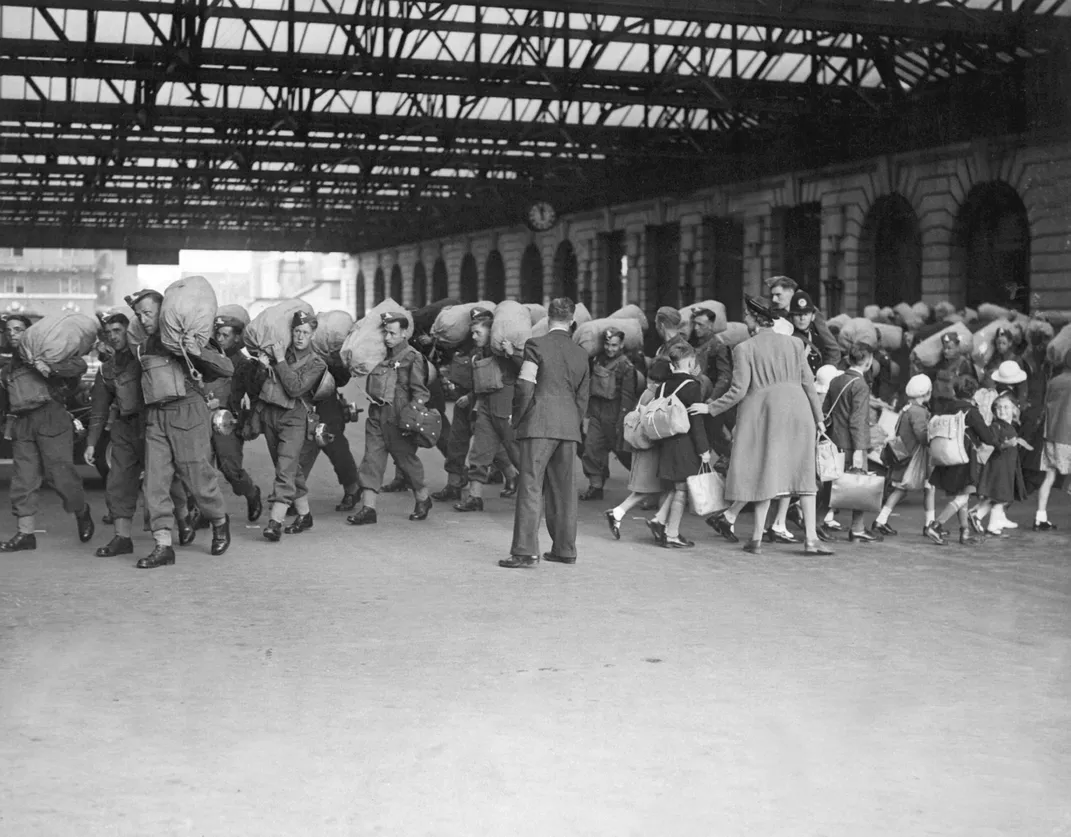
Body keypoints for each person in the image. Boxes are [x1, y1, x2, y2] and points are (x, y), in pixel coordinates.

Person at [690, 296, 829, 556]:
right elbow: (808, 384)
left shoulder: (744, 349)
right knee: (804, 474)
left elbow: (738, 390)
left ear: (755, 320)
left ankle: (755, 539)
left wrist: (710, 408)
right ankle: (811, 540)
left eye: (746, 316)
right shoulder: (796, 344)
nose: (744, 320)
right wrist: (819, 419)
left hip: (768, 413)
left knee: (767, 471)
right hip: (799, 411)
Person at [130, 289, 234, 569]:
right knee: (154, 481)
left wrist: (196, 351)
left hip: (188, 413)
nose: (143, 318)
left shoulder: (185, 338)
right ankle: (163, 545)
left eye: (148, 312)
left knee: (197, 476)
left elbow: (226, 368)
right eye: (139, 314)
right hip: (156, 417)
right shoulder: (144, 346)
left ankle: (220, 522)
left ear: (163, 312)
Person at [84, 311, 193, 556]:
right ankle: (122, 537)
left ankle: (184, 519)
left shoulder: (145, 358)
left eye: (118, 331)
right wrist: (91, 443)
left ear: (129, 332)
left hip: (152, 423)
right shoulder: (107, 370)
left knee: (166, 479)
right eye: (109, 332)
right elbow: (99, 409)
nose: (113, 337)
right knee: (118, 482)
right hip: (124, 428)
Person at [500, 297, 590, 569]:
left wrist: (518, 415)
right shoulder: (581, 354)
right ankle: (565, 550)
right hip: (568, 426)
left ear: (548, 319)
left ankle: (526, 552)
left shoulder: (536, 345)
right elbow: (583, 398)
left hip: (539, 424)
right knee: (564, 490)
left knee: (530, 485)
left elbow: (525, 385)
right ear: (572, 320)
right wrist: (574, 423)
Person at [0, 313, 95, 552]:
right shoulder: (7, 368)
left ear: (29, 333)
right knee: (24, 479)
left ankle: (81, 511)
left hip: (51, 417)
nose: (12, 334)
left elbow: (79, 365)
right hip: (22, 423)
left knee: (59, 475)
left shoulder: (48, 355)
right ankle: (25, 534)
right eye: (8, 330)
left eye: (19, 329)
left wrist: (49, 368)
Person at [247, 311, 327, 541]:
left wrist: (280, 360)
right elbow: (255, 385)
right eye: (297, 331)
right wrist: (262, 365)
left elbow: (295, 388)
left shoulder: (316, 362)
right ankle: (305, 514)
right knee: (290, 469)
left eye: (305, 333)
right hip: (271, 414)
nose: (300, 337)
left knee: (285, 469)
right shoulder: (276, 351)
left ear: (312, 335)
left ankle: (275, 521)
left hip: (295, 417)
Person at [348, 312, 433, 525]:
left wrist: (411, 417)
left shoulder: (412, 358)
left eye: (392, 333)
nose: (388, 337)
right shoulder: (378, 355)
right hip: (377, 414)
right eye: (385, 332)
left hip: (399, 417)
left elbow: (421, 393)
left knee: (406, 461)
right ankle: (368, 509)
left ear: (404, 333)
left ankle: (422, 497)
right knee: (371, 460)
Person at [195, 312, 263, 526]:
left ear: (237, 338)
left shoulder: (244, 364)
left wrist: (245, 420)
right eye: (218, 334)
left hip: (227, 422)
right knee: (201, 468)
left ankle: (251, 493)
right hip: (203, 417)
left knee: (230, 469)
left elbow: (253, 395)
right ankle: (207, 513)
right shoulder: (206, 356)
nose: (221, 338)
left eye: (226, 335)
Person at [453, 307, 521, 513]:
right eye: (473, 333)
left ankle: (537, 493)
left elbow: (526, 370)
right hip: (486, 408)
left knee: (518, 453)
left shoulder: (504, 353)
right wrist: (470, 397)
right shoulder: (478, 354)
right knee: (479, 452)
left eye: (478, 333)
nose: (474, 337)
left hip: (507, 409)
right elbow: (483, 382)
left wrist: (513, 354)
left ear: (490, 333)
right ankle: (475, 498)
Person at [645, 343, 710, 548]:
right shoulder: (692, 386)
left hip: (666, 441)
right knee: (682, 490)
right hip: (685, 443)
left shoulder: (663, 385)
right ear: (691, 362)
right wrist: (704, 450)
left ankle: (659, 519)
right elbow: (696, 422)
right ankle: (672, 533)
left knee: (674, 485)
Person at [817, 342, 881, 543]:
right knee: (860, 485)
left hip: (836, 440)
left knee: (831, 487)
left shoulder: (837, 380)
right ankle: (857, 528)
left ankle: (816, 524)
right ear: (868, 362)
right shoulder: (860, 385)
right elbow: (858, 420)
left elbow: (826, 409)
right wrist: (859, 451)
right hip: (853, 444)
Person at [926, 377, 997, 547]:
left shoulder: (945, 409)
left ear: (955, 391)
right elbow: (986, 437)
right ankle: (936, 525)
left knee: (961, 494)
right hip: (965, 457)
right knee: (964, 495)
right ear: (974, 392)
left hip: (946, 455)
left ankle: (964, 531)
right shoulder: (970, 411)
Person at [605, 358, 671, 539]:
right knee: (654, 487)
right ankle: (659, 523)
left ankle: (659, 522)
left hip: (642, 445)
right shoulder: (657, 393)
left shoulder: (647, 392)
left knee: (654, 488)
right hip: (651, 447)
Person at [871, 374, 937, 538]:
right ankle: (930, 524)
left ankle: (881, 520)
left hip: (904, 455)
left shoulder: (906, 409)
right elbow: (922, 436)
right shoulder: (919, 412)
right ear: (926, 393)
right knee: (929, 487)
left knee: (900, 489)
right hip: (917, 458)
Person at [579, 327, 637, 501]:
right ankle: (596, 486)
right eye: (607, 344)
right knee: (591, 448)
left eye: (614, 345)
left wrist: (622, 421)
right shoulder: (597, 360)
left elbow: (628, 396)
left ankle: (647, 488)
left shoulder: (626, 366)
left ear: (621, 345)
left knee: (625, 455)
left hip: (616, 413)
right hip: (597, 411)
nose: (610, 348)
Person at [970, 391, 1030, 536]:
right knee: (999, 496)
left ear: (1014, 410)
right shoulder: (996, 426)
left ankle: (985, 519)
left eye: (1006, 407)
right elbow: (993, 443)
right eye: (999, 408)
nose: (1002, 410)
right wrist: (1006, 444)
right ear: (994, 411)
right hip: (998, 466)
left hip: (1007, 467)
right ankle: (981, 517)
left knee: (999, 497)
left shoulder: (1010, 427)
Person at [1034, 347, 1071, 531]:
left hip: (1050, 434)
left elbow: (1045, 406)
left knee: (1049, 476)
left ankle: (1040, 518)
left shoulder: (1054, 382)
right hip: (1068, 436)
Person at [766, 276, 840, 365]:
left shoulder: (810, 311)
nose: (774, 299)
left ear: (791, 291)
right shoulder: (775, 313)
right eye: (773, 295)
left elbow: (832, 348)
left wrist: (826, 372)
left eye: (778, 295)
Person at [926, 331, 975, 414]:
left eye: (949, 348)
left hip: (953, 404)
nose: (946, 351)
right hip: (937, 402)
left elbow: (968, 385)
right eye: (944, 348)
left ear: (957, 347)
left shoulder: (963, 363)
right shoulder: (940, 362)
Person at [787, 290, 824, 375]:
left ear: (813, 316)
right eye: (797, 314)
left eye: (806, 314)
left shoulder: (818, 340)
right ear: (791, 317)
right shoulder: (788, 341)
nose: (802, 318)